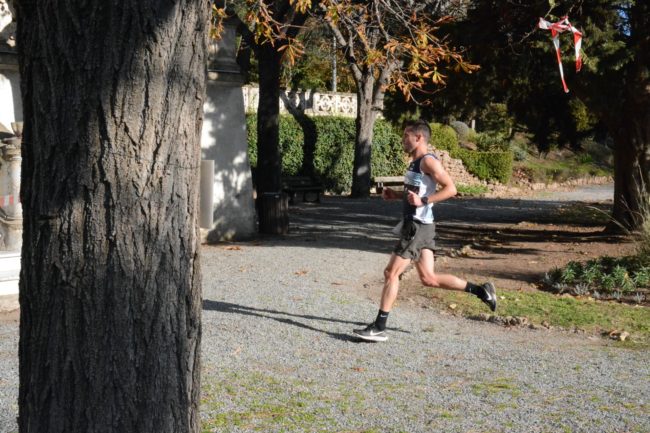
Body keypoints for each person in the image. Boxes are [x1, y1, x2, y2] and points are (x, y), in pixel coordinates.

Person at [353, 119, 496, 342]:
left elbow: (451, 189)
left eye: (406, 135)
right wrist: (397, 195)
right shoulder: (416, 162)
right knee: (429, 278)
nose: (403, 139)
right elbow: (417, 193)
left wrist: (424, 201)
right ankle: (481, 291)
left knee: (391, 273)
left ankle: (380, 326)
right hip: (423, 225)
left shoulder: (428, 161)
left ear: (418, 137)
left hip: (418, 226)